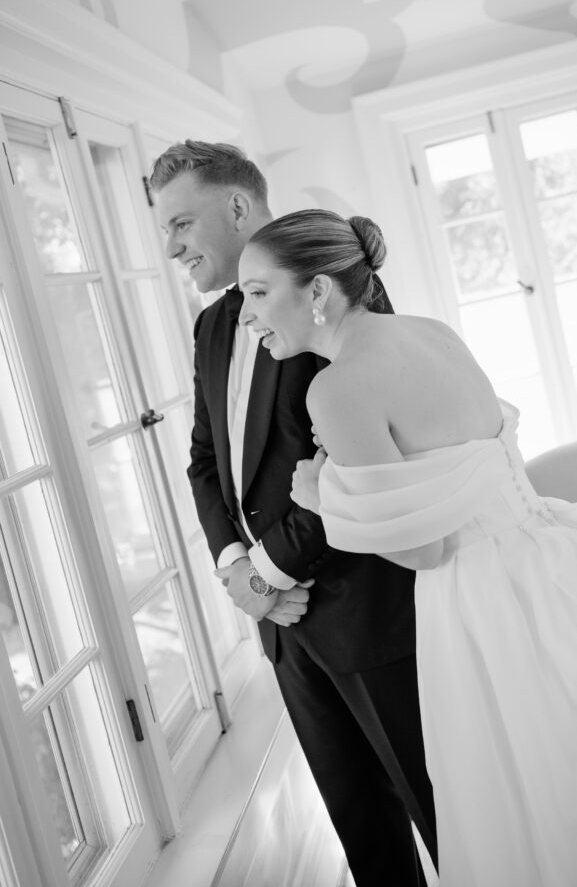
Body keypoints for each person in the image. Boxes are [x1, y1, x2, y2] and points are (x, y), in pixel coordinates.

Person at [238, 207, 577, 887]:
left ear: (319, 291)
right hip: (549, 565)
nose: (247, 315)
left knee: (530, 804)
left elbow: (423, 550)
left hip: (483, 600)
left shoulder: (336, 388)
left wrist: (321, 494)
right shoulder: (430, 332)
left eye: (258, 292)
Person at [150, 142, 437, 887]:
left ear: (238, 207)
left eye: (181, 222)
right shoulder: (213, 327)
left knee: (439, 808)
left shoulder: (343, 297)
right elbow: (205, 462)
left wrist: (268, 571)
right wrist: (239, 572)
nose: (171, 246)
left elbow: (363, 467)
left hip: (369, 612)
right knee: (361, 830)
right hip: (283, 627)